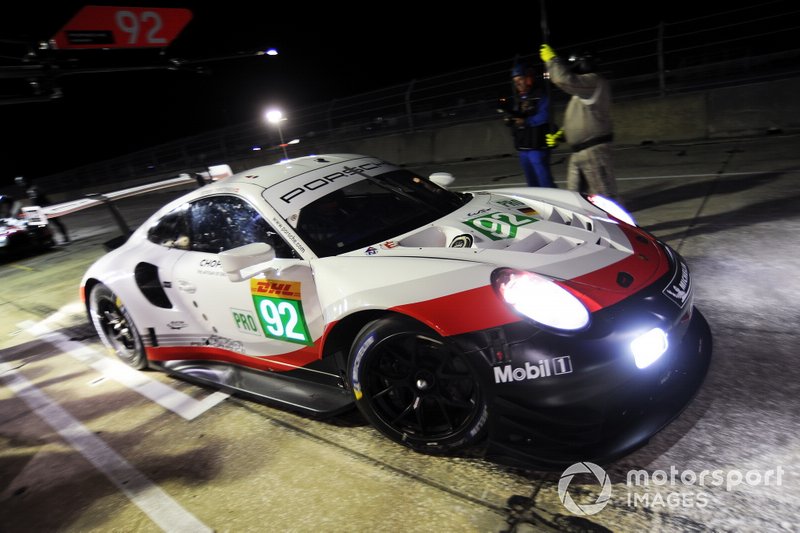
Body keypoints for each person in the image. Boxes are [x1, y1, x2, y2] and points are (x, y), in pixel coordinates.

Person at [539, 44, 619, 200]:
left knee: (605, 198)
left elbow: (563, 79)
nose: (573, 68)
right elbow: (581, 118)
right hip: (581, 152)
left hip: (593, 151)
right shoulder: (583, 89)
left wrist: (552, 60)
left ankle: (616, 224)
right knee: (575, 199)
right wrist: (562, 134)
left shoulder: (594, 81)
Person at [501, 63, 555, 188]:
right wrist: (510, 120)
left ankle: (553, 205)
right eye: (515, 81)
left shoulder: (540, 95)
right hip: (523, 148)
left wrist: (526, 121)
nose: (517, 84)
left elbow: (545, 116)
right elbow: (517, 117)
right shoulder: (518, 99)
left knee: (545, 183)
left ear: (528, 78)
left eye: (520, 79)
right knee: (532, 186)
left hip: (537, 147)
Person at [14, 176, 70, 243]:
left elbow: (38, 199)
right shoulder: (30, 190)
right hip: (42, 210)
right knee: (45, 226)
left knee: (55, 223)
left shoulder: (33, 189)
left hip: (47, 209)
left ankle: (65, 237)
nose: (20, 184)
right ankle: (52, 240)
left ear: (25, 181)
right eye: (18, 182)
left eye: (20, 182)